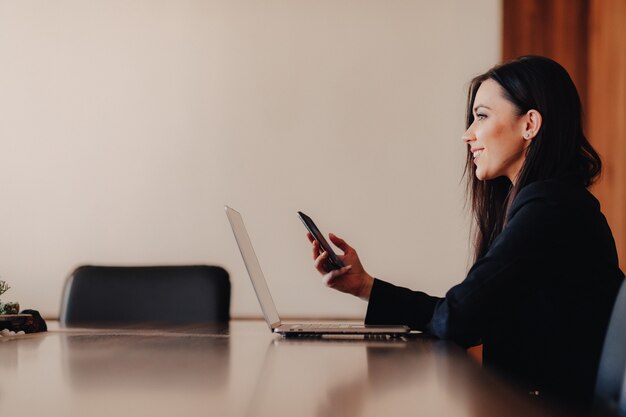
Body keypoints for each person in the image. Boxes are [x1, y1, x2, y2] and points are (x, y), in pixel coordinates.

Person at [306, 55, 624, 406]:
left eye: (482, 116)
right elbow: (464, 313)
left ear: (529, 124)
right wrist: (365, 286)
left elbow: (458, 319)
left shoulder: (550, 208)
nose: (467, 133)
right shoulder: (550, 202)